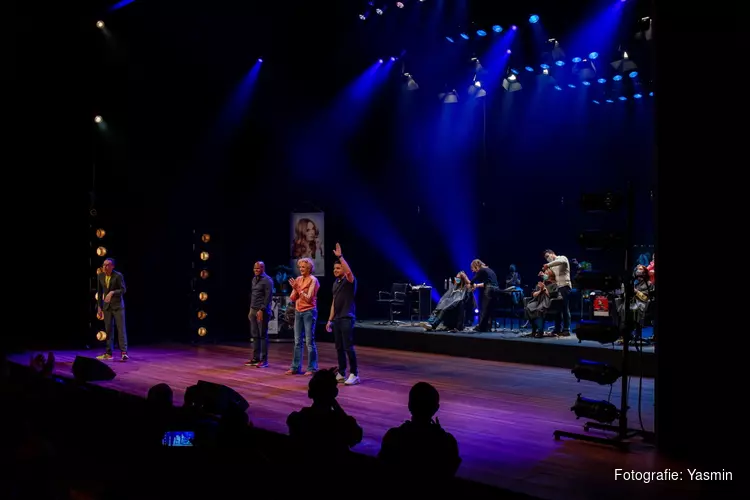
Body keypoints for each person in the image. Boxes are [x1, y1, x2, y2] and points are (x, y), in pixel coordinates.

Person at [378, 382, 461, 482]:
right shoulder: (447, 441)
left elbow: (383, 463)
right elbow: (451, 469)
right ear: (436, 408)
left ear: (409, 406)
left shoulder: (393, 436)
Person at [286, 368, 363, 461]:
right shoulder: (343, 423)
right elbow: (356, 435)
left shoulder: (296, 419)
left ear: (309, 393)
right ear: (335, 393)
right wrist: (334, 403)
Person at [325, 243, 360, 385]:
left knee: (348, 347)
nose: (335, 270)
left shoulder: (350, 281)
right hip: (337, 319)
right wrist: (329, 320)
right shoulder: (335, 283)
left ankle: (354, 374)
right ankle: (341, 372)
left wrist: (340, 257)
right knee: (338, 347)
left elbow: (349, 272)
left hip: (347, 318)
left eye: (338, 268)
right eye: (334, 268)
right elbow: (334, 302)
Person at [287, 257, 320, 375]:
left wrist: (298, 289)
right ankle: (295, 367)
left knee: (309, 341)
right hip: (298, 311)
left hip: (309, 312)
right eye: (300, 267)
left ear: (309, 268)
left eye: (303, 267)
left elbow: (309, 298)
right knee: (297, 341)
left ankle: (312, 368)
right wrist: (295, 289)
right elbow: (292, 297)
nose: (301, 269)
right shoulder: (298, 279)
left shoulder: (313, 280)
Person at [96, 258, 129, 361]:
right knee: (108, 330)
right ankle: (108, 353)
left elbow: (123, 289)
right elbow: (99, 292)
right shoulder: (100, 276)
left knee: (121, 329)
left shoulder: (118, 275)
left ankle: (124, 353)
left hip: (118, 306)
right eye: (104, 265)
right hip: (107, 307)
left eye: (107, 265)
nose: (105, 267)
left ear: (112, 266)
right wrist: (99, 307)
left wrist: (112, 292)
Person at [246, 261, 273, 368]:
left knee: (262, 335)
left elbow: (268, 297)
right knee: (255, 335)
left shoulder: (267, 280)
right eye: (255, 268)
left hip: (262, 311)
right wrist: (250, 310)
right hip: (253, 310)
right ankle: (255, 358)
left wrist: (261, 309)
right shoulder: (254, 279)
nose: (256, 270)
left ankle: (264, 360)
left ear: (263, 268)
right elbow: (254, 295)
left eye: (258, 268)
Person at [542, 249, 572, 336]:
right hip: (557, 288)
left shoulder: (562, 258)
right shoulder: (552, 266)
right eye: (546, 258)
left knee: (565, 308)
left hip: (565, 286)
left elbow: (559, 262)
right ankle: (557, 328)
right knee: (557, 309)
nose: (547, 259)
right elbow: (551, 278)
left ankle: (566, 329)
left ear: (552, 254)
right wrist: (544, 276)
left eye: (548, 256)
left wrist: (547, 265)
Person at [469, 259, 499, 332]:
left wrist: (471, 286)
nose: (473, 271)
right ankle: (488, 327)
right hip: (496, 290)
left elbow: (473, 280)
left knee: (484, 309)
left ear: (476, 266)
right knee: (490, 309)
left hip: (489, 290)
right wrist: (476, 285)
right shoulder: (489, 270)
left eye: (473, 269)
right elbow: (487, 283)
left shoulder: (481, 270)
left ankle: (481, 327)